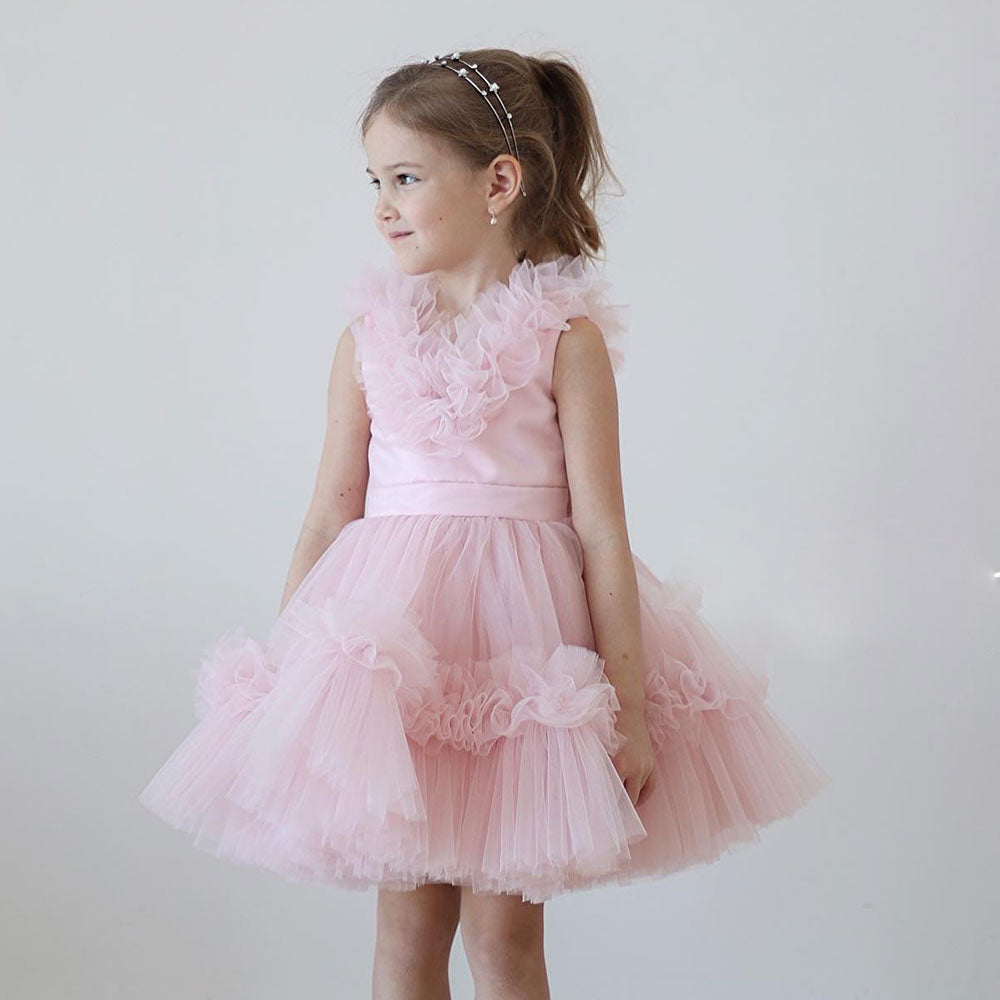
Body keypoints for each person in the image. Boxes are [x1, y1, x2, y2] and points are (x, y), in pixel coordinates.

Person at [139, 47, 830, 999]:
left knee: (504, 941)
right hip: (399, 664)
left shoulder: (566, 342)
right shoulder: (366, 341)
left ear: (499, 183)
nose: (383, 206)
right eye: (375, 182)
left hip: (524, 666)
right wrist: (286, 682)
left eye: (406, 179)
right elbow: (328, 517)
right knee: (407, 933)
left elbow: (601, 534)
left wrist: (628, 711)